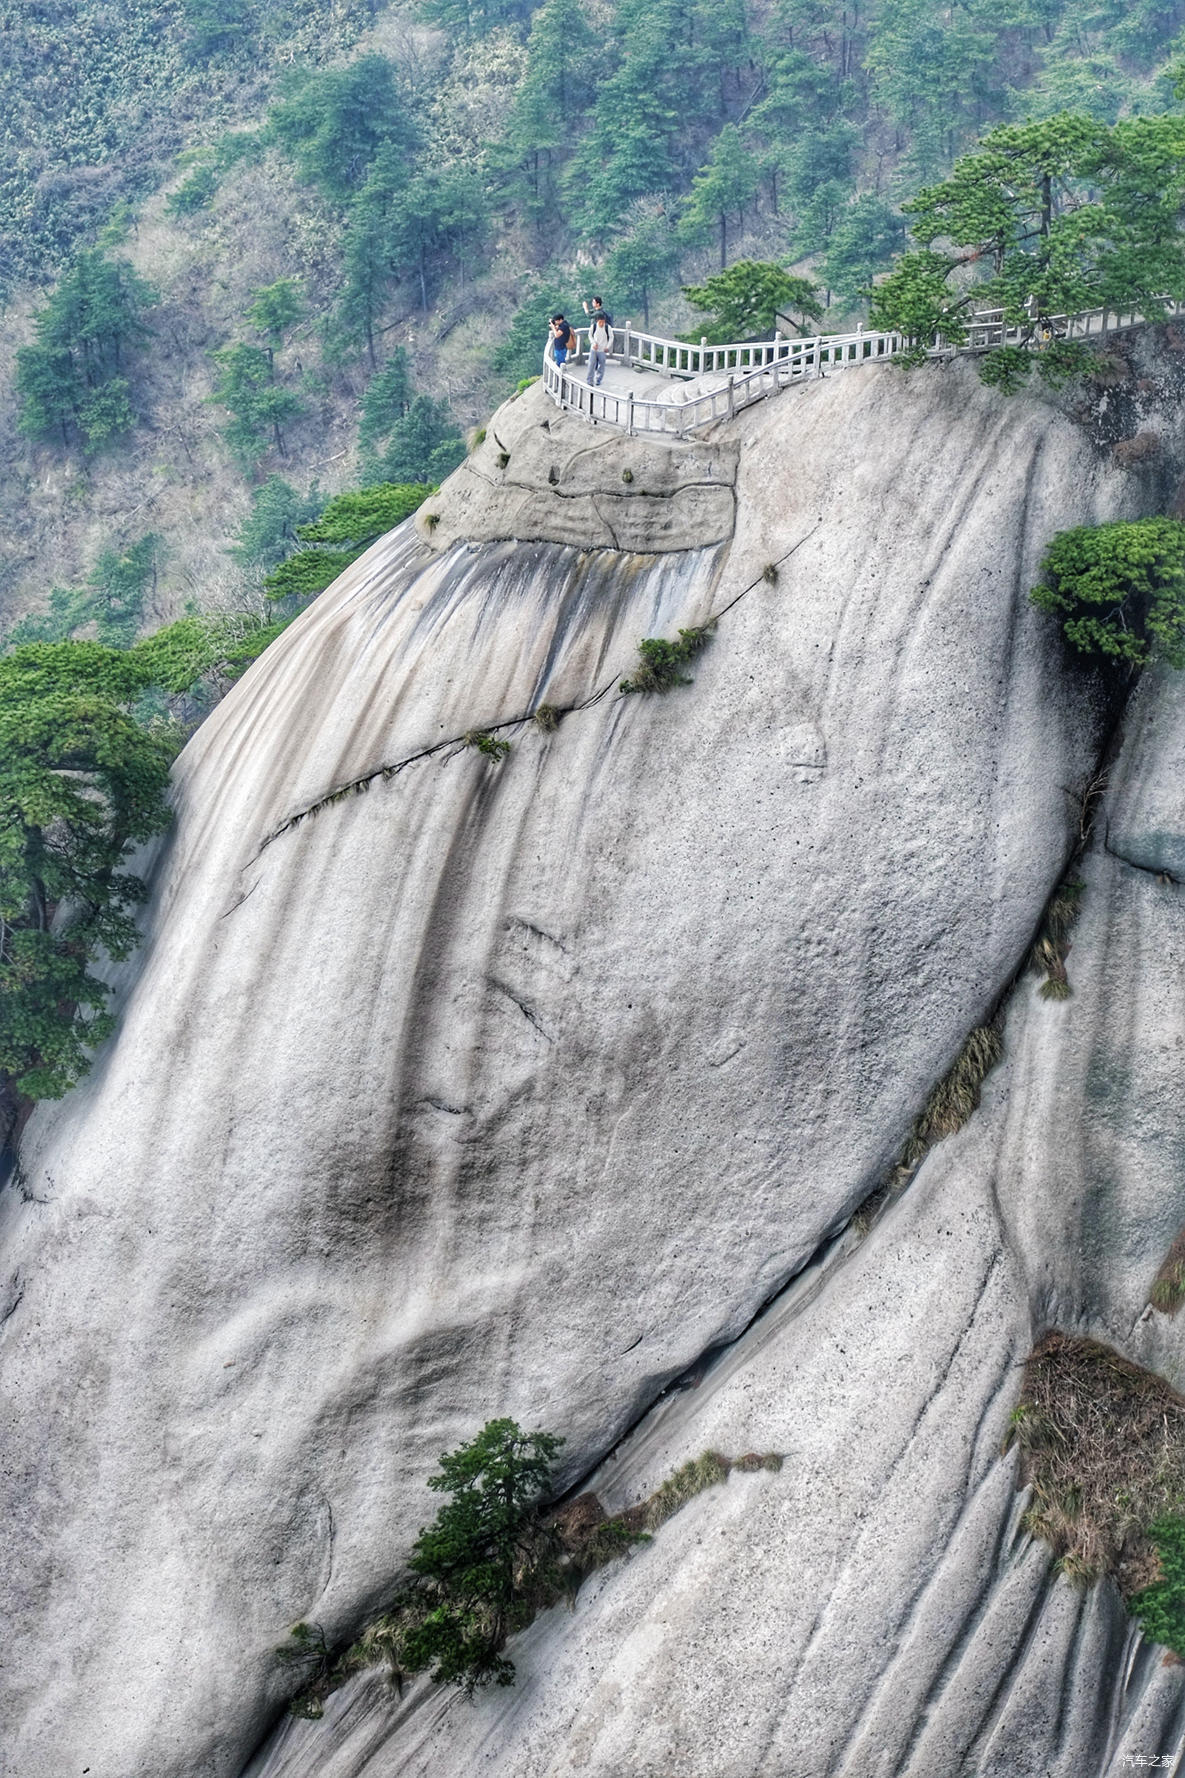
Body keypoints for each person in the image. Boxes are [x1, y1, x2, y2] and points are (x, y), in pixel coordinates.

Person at [586, 308, 614, 386]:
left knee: (601, 365)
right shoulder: (593, 327)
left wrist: (607, 346)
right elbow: (590, 335)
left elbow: (611, 337)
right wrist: (593, 342)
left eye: (603, 322)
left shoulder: (607, 327)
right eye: (600, 322)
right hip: (594, 349)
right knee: (591, 365)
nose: (601, 324)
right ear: (597, 321)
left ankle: (598, 379)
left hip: (602, 350)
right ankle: (589, 380)